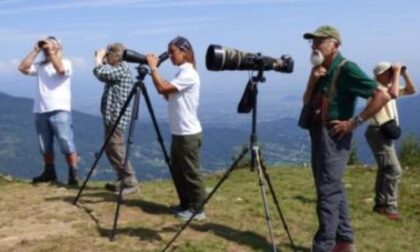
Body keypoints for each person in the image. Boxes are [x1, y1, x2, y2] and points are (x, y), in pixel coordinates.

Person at [302, 25, 394, 252]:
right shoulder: (321, 69)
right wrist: (312, 80)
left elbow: (382, 95)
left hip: (334, 135)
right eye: (312, 42)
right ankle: (344, 241)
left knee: (327, 192)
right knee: (331, 187)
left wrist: (354, 122)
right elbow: (306, 101)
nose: (314, 46)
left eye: (319, 41)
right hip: (319, 132)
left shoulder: (346, 68)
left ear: (334, 44)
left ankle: (324, 246)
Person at [146, 36, 206, 221]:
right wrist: (158, 78)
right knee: (178, 171)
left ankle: (198, 209)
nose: (170, 56)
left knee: (191, 172)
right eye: (169, 52)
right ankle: (186, 204)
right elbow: (168, 94)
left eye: (173, 51)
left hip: (188, 133)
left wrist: (154, 68)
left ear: (184, 52)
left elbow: (163, 89)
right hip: (179, 131)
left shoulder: (188, 73)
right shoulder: (181, 74)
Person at [18, 36, 79, 186]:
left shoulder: (66, 63)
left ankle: (73, 173)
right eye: (45, 48)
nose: (46, 50)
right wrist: (36, 50)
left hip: (60, 110)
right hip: (40, 110)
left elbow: (60, 70)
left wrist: (51, 53)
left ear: (58, 48)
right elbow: (22, 68)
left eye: (50, 47)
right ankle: (49, 172)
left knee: (66, 143)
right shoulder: (39, 66)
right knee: (44, 145)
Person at [365, 62, 416, 220]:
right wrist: (397, 72)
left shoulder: (387, 87)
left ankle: (380, 205)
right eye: (388, 72)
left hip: (384, 132)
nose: (390, 75)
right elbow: (393, 93)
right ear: (379, 74)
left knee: (385, 168)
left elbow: (411, 90)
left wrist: (404, 74)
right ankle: (390, 207)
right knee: (394, 170)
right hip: (378, 132)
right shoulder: (376, 88)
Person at [93, 43, 139, 195]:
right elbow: (107, 72)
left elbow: (102, 74)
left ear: (115, 55)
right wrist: (103, 61)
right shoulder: (118, 68)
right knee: (110, 148)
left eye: (108, 55)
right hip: (112, 117)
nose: (106, 57)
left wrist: (99, 59)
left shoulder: (122, 68)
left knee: (116, 148)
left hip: (117, 117)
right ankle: (122, 179)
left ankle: (131, 181)